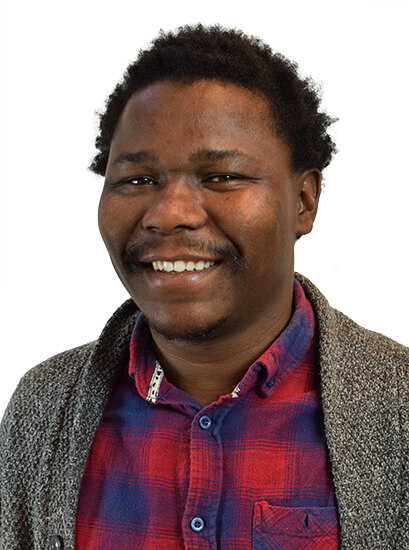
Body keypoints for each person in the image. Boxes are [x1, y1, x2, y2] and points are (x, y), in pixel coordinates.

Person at [0, 24, 407, 550]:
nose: (169, 214)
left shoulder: (396, 408)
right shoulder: (44, 407)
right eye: (138, 180)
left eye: (221, 177)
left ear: (305, 201)